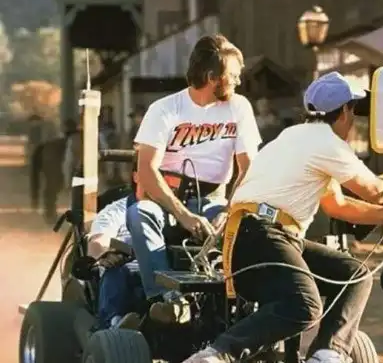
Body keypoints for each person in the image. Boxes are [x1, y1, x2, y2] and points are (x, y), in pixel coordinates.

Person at [179, 71, 383, 363]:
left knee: (355, 274)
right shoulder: (325, 143)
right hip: (260, 234)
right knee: (305, 305)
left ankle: (328, 355)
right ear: (345, 111)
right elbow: (377, 190)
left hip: (261, 236)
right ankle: (215, 354)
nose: (354, 120)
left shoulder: (294, 137)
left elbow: (336, 205)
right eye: (354, 111)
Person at [126, 34, 261, 322]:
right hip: (166, 201)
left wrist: (230, 211)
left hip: (214, 200)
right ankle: (165, 301)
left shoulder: (239, 107)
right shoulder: (165, 109)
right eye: (233, 75)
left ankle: (241, 304)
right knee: (139, 214)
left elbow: (249, 168)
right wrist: (183, 214)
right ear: (212, 77)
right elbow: (147, 170)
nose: (238, 81)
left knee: (248, 226)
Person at [75, 196, 146, 329]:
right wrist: (104, 254)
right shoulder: (117, 211)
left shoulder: (178, 211)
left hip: (161, 272)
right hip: (126, 270)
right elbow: (98, 241)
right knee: (117, 271)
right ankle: (113, 325)